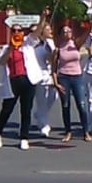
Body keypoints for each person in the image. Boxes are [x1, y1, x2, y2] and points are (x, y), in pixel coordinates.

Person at [0, 24, 44, 150]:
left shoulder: (27, 45)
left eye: (19, 30)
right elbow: (2, 62)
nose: (16, 32)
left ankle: (24, 137)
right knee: (6, 110)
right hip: (12, 82)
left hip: (27, 80)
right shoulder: (6, 48)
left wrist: (43, 17)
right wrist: (10, 48)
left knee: (26, 110)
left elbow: (37, 32)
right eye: (14, 30)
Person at [52, 24, 92, 142]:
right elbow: (54, 68)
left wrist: (91, 24)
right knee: (66, 105)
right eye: (64, 31)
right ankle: (68, 132)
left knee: (82, 105)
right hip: (64, 77)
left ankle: (86, 131)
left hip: (77, 77)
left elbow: (85, 35)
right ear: (60, 35)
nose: (67, 33)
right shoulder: (58, 48)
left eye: (69, 31)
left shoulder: (75, 44)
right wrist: (56, 83)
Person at [28, 9, 56, 138]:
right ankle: (44, 125)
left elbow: (52, 59)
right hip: (38, 75)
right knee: (42, 101)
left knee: (53, 97)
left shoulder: (50, 43)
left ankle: (39, 115)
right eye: (48, 29)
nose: (50, 31)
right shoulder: (34, 44)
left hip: (50, 74)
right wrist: (43, 16)